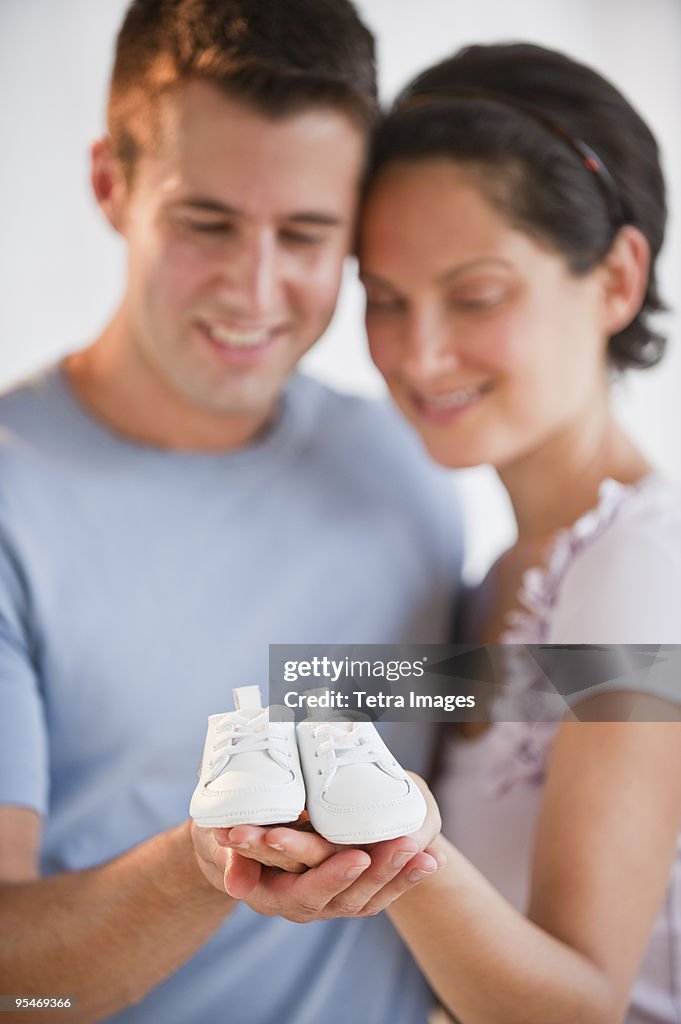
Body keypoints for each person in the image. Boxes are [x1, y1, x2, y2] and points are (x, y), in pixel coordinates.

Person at [0, 3, 462, 1021]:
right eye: (206, 223)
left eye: (305, 233)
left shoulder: (404, 467)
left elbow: (499, 706)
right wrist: (202, 868)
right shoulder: (13, 503)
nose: (255, 289)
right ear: (110, 183)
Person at [226, 42, 681, 1024]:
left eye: (475, 294)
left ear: (615, 279)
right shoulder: (498, 575)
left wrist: (391, 843)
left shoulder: (645, 565)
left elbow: (584, 1006)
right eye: (385, 300)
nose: (419, 353)